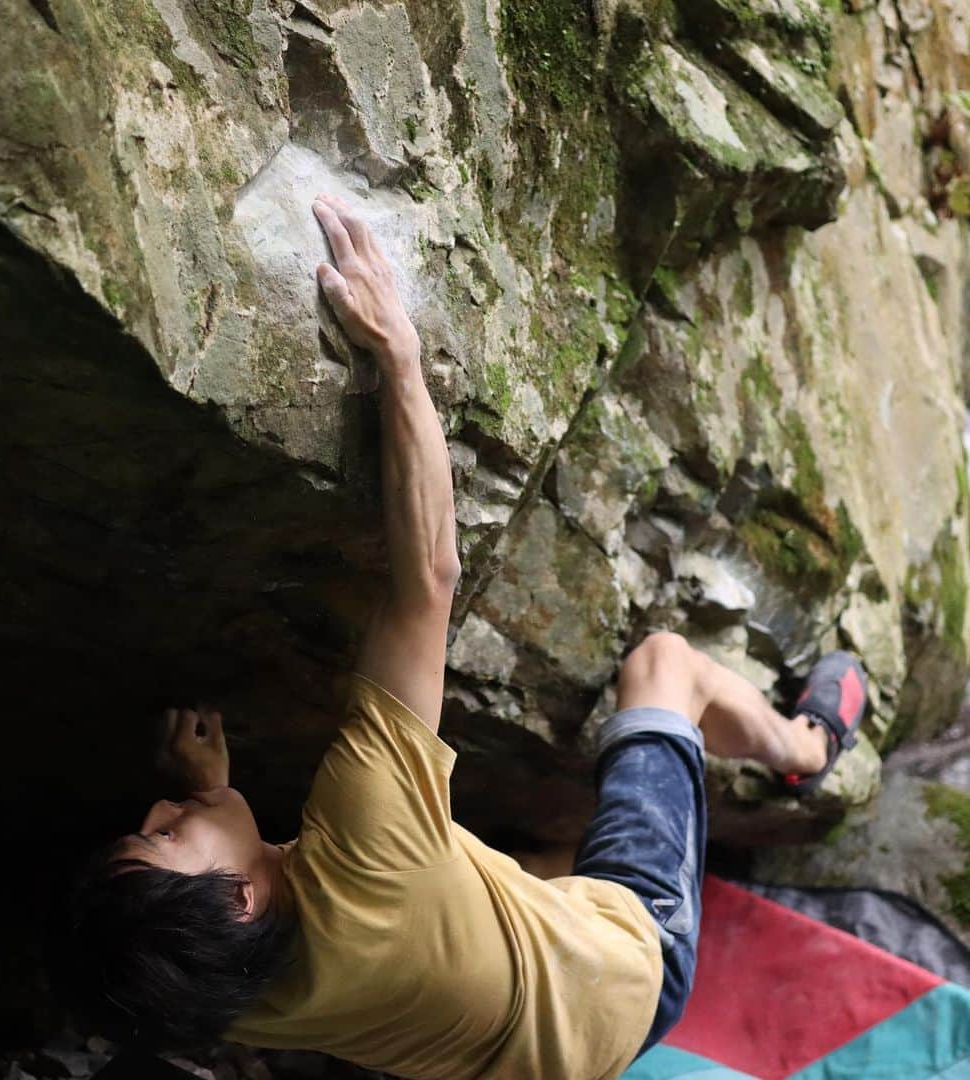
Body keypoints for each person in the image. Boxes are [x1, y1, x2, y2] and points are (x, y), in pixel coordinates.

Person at [56, 194, 868, 1079]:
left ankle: (593, 867)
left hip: (547, 1050)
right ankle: (807, 746)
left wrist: (209, 801)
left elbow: (183, 949)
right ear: (243, 900)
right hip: (636, 963)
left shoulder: (210, 993)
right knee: (663, 665)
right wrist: (398, 355)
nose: (155, 810)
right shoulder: (369, 848)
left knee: (514, 866)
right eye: (164, 836)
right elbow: (428, 582)